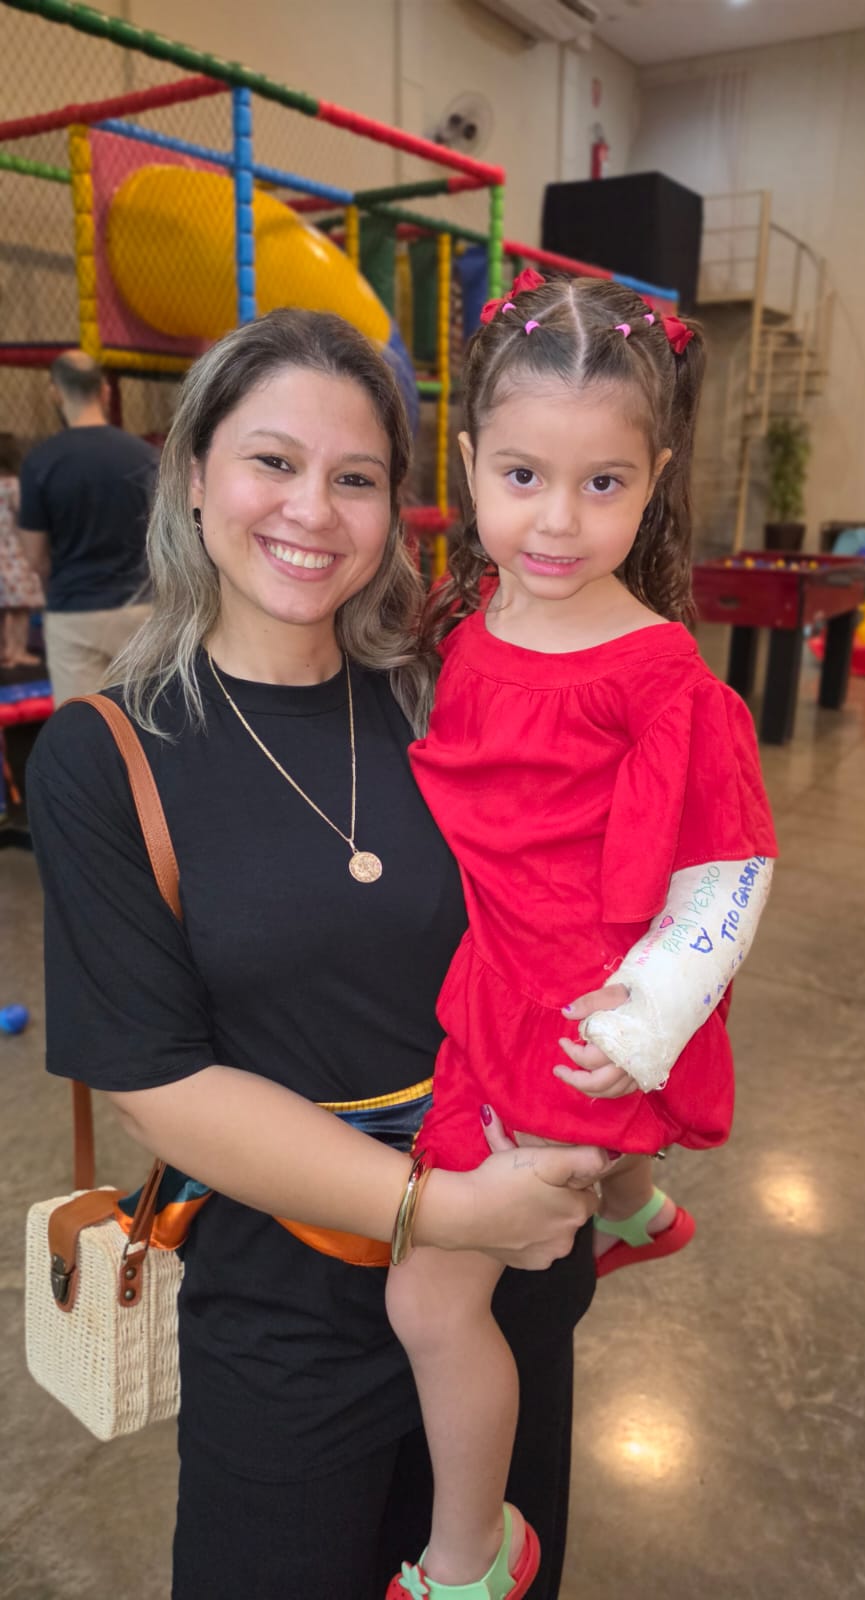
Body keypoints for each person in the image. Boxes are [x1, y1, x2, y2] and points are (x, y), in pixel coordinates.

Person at [26, 308, 611, 1600]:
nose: (313, 511)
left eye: (357, 478)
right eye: (272, 463)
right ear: (193, 475)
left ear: (399, 507)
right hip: (293, 1313)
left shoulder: (451, 697)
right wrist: (444, 1210)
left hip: (510, 1286)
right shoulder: (105, 754)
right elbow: (158, 1078)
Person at [385, 274, 778, 1598]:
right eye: (522, 476)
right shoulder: (475, 621)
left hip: (579, 1026)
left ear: (656, 476)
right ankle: (636, 1204)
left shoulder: (663, 673)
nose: (556, 521)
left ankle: (471, 1553)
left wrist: (653, 1018)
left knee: (429, 1301)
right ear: (468, 463)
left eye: (603, 485)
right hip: (482, 994)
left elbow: (728, 871)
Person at [17, 350, 157, 703]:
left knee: (81, 737)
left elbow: (35, 557)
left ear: (55, 392)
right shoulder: (144, 456)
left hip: (74, 613)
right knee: (148, 725)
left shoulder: (41, 462)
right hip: (142, 611)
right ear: (106, 391)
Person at [0, 432, 44, 668]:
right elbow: (23, 515)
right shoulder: (14, 486)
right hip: (13, 553)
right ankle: (16, 650)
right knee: (19, 608)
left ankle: (4, 649)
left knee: (3, 607)